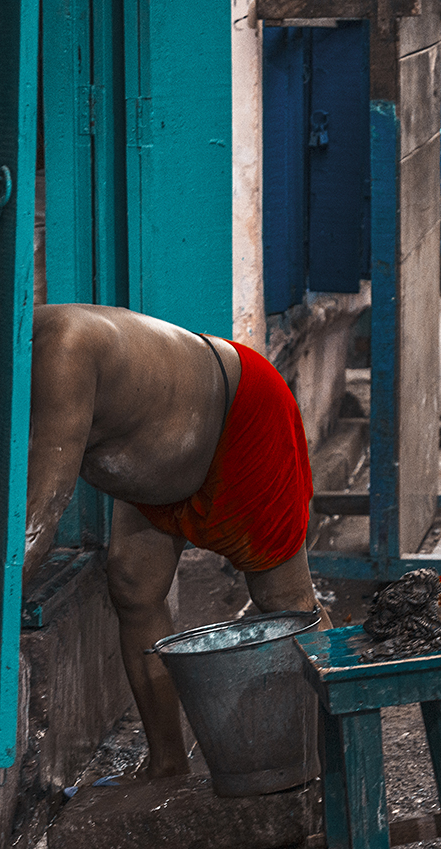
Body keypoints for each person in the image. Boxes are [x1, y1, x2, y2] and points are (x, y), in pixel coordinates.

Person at [24, 304, 324, 779]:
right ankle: (166, 763)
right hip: (162, 466)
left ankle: (330, 751)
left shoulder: (62, 348)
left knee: (284, 602)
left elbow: (36, 525)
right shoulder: (13, 363)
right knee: (132, 586)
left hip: (240, 414)